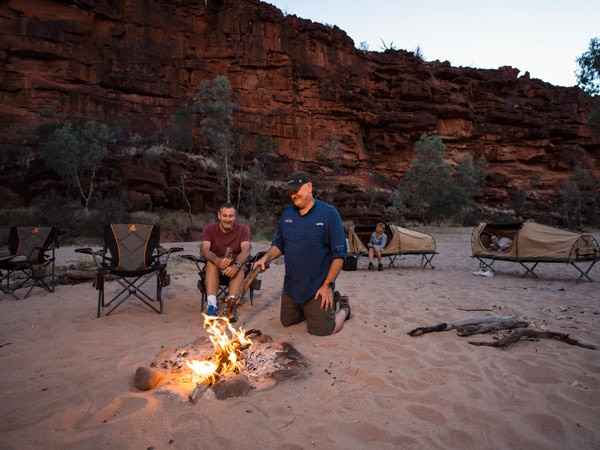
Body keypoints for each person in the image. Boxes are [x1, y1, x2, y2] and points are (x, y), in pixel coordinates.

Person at [255, 171, 351, 336]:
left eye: (296, 190)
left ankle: (344, 307)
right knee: (287, 322)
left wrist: (327, 285)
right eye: (290, 191)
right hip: (291, 286)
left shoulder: (329, 214)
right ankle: (308, 309)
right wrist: (266, 257)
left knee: (323, 330)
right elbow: (279, 244)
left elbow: (339, 254)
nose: (293, 194)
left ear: (309, 187)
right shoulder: (287, 215)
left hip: (318, 286)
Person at [200, 202, 251, 317]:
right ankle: (212, 306)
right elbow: (204, 250)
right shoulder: (209, 229)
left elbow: (246, 249)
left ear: (235, 217)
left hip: (235, 266)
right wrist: (217, 260)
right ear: (219, 215)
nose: (227, 219)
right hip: (216, 266)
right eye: (224, 216)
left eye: (230, 216)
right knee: (211, 263)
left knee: (241, 266)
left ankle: (230, 306)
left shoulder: (243, 229)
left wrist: (236, 265)